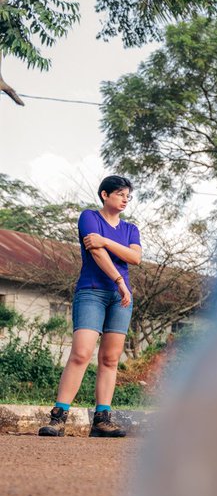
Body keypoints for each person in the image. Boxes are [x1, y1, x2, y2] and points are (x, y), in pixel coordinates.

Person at [39, 175, 142, 438]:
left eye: (128, 195)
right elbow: (96, 254)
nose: (125, 199)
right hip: (92, 292)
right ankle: (59, 417)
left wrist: (106, 241)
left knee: (110, 359)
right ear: (105, 195)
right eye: (120, 194)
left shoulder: (131, 229)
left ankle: (102, 420)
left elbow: (135, 257)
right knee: (82, 353)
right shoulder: (89, 217)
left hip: (121, 298)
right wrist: (119, 279)